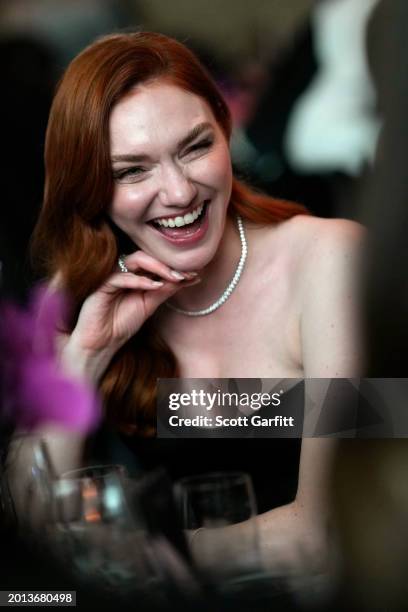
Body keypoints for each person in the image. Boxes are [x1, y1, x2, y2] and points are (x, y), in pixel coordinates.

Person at [30, 31, 364, 573]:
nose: (180, 192)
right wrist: (83, 358)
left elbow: (330, 528)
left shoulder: (330, 260)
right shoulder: (75, 293)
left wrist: (148, 556)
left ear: (225, 128)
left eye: (195, 147)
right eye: (132, 170)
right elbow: (34, 525)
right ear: (90, 186)